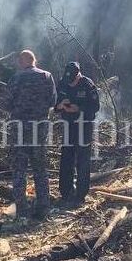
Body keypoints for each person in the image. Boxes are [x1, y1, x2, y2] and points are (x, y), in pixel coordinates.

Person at [2, 49, 56, 219]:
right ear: (35, 60)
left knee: (20, 169)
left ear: (21, 61)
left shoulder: (16, 78)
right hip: (39, 128)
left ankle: (22, 209)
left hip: (20, 129)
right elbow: (53, 101)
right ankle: (43, 208)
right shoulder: (47, 76)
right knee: (40, 168)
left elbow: (6, 103)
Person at [55, 61, 100, 206]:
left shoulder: (88, 84)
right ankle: (65, 191)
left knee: (82, 160)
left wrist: (78, 108)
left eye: (73, 80)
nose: (71, 83)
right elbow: (54, 105)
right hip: (68, 125)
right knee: (66, 158)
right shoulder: (62, 83)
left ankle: (81, 194)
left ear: (78, 75)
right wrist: (60, 106)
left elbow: (95, 106)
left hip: (84, 126)